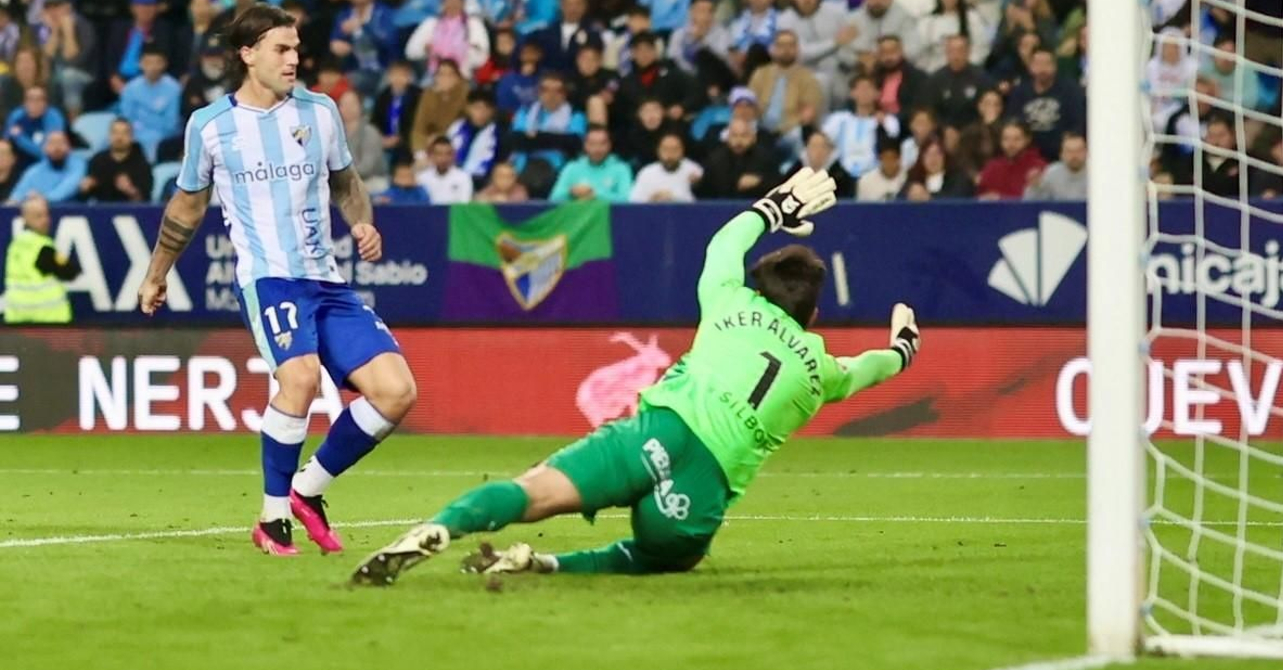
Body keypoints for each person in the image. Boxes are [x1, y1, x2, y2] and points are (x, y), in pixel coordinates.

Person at [352, 169, 922, 582]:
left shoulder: (728, 300)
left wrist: (773, 208)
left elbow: (725, 242)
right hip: (706, 487)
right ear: (813, 316)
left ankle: (439, 530)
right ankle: (545, 564)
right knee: (666, 556)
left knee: (535, 491)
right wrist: (902, 347)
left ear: (757, 289)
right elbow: (868, 368)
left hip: (661, 431)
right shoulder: (818, 369)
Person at [137, 4, 419, 556]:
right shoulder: (211, 126)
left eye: (295, 49)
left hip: (327, 280)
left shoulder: (320, 113)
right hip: (268, 279)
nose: (294, 59)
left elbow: (346, 182)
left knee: (397, 391)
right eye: (281, 49)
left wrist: (361, 220)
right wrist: (156, 275)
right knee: (300, 380)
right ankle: (271, 520)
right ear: (247, 54)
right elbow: (186, 209)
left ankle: (308, 492)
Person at [3, 194, 81, 323]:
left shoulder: (16, 245)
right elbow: (71, 272)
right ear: (26, 219)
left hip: (17, 321)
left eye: (46, 215)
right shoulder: (43, 249)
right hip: (48, 321)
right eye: (38, 216)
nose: (45, 220)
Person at [550, 124, 634, 201]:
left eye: (602, 144)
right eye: (592, 144)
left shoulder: (621, 169)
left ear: (609, 145)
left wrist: (594, 194)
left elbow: (626, 200)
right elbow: (554, 198)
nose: (597, 149)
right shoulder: (572, 167)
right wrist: (571, 192)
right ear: (585, 145)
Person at [7, 131, 87, 204]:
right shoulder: (34, 171)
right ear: (44, 148)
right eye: (52, 143)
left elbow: (68, 188)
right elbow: (16, 196)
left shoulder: (78, 165)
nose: (57, 148)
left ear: (69, 147)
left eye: (61, 143)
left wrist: (43, 198)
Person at [977, 119, 1048, 198]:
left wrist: (1001, 198)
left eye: (1017, 139)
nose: (1010, 144)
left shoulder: (1039, 167)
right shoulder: (992, 167)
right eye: (1006, 139)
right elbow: (980, 198)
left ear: (1027, 140)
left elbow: (1040, 202)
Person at [630, 131, 702, 202]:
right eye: (665, 149)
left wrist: (697, 185)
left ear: (682, 150)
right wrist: (652, 200)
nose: (670, 154)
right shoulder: (646, 173)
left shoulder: (694, 170)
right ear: (658, 151)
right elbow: (635, 202)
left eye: (675, 149)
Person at [1025, 132, 1088, 200]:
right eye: (1069, 151)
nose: (1074, 155)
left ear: (1087, 152)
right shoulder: (1052, 172)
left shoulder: (1098, 173)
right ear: (1061, 154)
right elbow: (1032, 204)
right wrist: (1035, 187)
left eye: (1079, 151)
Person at [417, 134, 475, 203]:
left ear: (453, 155)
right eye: (439, 154)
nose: (444, 158)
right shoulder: (422, 178)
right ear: (432, 156)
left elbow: (464, 205)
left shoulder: (464, 177)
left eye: (448, 154)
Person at [855, 136, 907, 200]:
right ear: (879, 159)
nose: (889, 162)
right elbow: (860, 209)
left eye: (893, 158)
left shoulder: (909, 178)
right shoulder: (865, 182)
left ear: (899, 158)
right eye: (885, 158)